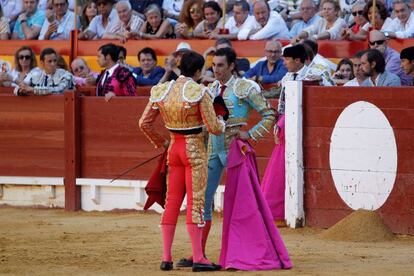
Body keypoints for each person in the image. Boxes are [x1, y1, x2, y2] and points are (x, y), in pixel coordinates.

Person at [177, 47, 276, 268]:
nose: (216, 69)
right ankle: (198, 254)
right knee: (203, 201)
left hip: (234, 150)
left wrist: (249, 134)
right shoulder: (210, 89)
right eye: (214, 65)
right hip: (213, 149)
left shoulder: (245, 87)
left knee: (242, 204)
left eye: (221, 65)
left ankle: (244, 251)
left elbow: (269, 114)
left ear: (232, 65)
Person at [138, 51, 225, 272]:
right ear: (197, 71)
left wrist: (162, 143)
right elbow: (214, 128)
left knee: (173, 201)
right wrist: (222, 120)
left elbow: (144, 123)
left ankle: (166, 258)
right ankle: (198, 258)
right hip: (194, 149)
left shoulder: (162, 89)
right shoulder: (199, 92)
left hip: (174, 149)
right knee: (195, 203)